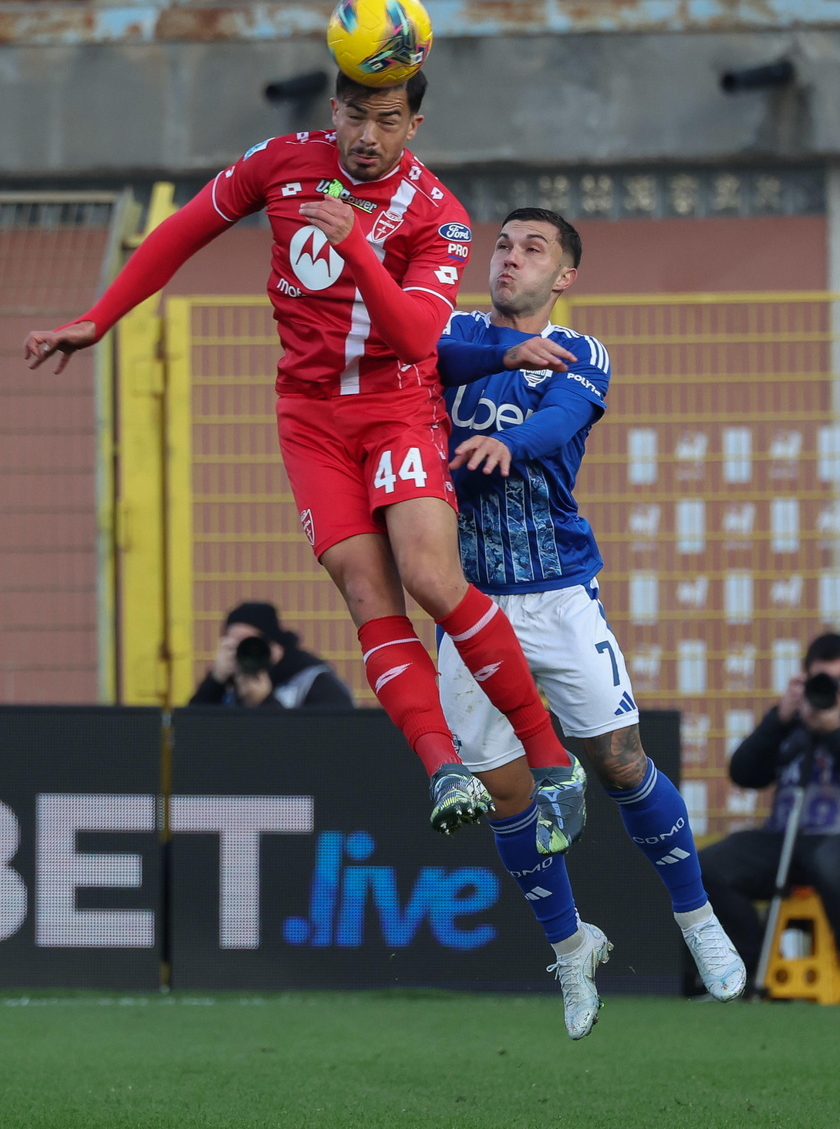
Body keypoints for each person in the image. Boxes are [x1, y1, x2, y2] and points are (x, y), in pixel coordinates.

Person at [24, 70, 585, 845]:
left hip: (395, 407)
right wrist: (100, 316)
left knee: (429, 576)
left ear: (412, 125)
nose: (366, 136)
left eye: (387, 120)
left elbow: (418, 339)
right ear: (333, 110)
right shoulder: (281, 161)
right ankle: (443, 767)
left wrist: (357, 247)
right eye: (355, 115)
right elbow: (184, 229)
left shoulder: (438, 217)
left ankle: (553, 758)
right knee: (365, 591)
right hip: (311, 417)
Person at [433, 206, 747, 1034]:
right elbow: (411, 364)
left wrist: (515, 443)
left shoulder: (584, 351)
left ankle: (695, 916)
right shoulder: (452, 337)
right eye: (502, 244)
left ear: (563, 276)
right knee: (505, 790)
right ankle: (572, 948)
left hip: (558, 591)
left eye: (532, 248)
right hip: (465, 599)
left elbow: (563, 420)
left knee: (617, 760)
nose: (510, 258)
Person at [699, 632, 840, 991]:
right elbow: (744, 773)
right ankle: (751, 969)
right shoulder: (791, 720)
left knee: (830, 864)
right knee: (705, 870)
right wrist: (780, 718)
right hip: (783, 838)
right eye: (823, 680)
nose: (830, 690)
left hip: (835, 841)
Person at [189, 600, 354, 709]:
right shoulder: (230, 684)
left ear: (274, 644)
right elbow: (192, 733)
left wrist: (264, 701)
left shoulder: (314, 682)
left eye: (249, 643)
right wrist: (215, 681)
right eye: (234, 645)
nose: (243, 650)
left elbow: (321, 743)